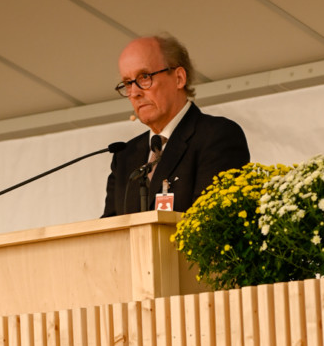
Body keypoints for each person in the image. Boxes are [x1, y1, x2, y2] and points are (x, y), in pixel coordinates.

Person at [102, 34, 250, 216]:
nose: (134, 93)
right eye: (127, 83)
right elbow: (110, 227)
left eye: (144, 77)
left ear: (179, 78)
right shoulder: (125, 156)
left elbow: (213, 222)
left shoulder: (217, 136)